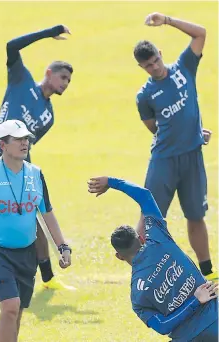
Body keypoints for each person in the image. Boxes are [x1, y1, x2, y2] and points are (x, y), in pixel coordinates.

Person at [0, 24, 74, 291]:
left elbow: (22, 146)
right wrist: (48, 33)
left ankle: (48, 278)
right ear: (48, 73)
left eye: (68, 82)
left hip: (20, 167)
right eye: (62, 78)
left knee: (33, 216)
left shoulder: (49, 116)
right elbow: (11, 45)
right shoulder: (21, 80)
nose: (65, 84)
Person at [0, 120, 72, 342]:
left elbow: (47, 213)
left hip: (26, 253)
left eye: (26, 139)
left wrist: (62, 246)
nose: (25, 143)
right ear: (2, 145)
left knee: (18, 309)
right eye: (19, 139)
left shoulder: (36, 174)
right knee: (10, 306)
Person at [133, 12, 215, 281]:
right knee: (151, 217)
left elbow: (200, 32)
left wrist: (167, 20)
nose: (155, 67)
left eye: (156, 60)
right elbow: (153, 127)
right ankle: (141, 271)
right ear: (142, 68)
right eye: (148, 66)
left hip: (192, 158)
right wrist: (182, 133)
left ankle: (208, 271)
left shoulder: (184, 67)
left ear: (160, 52)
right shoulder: (145, 95)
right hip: (165, 161)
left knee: (196, 215)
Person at [88, 176, 218, 341]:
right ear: (141, 238)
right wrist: (110, 182)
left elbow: (162, 326)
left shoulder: (137, 295)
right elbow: (145, 196)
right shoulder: (158, 236)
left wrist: (194, 302)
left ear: (119, 257)